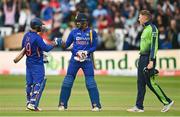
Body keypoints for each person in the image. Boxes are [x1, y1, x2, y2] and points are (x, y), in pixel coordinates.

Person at [127, 10, 174, 113]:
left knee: (150, 83)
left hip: (148, 58)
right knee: (140, 82)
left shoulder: (153, 29)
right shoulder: (145, 29)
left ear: (145, 17)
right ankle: (139, 106)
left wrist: (151, 61)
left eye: (139, 17)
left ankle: (167, 101)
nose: (138, 19)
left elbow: (154, 46)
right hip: (142, 57)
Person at [57, 12, 101, 111]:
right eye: (76, 22)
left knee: (90, 82)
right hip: (75, 60)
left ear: (85, 22)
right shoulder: (73, 32)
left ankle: (96, 105)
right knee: (67, 81)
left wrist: (86, 52)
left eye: (79, 22)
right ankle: (62, 104)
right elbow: (67, 45)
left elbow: (94, 46)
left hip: (87, 60)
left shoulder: (92, 32)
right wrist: (61, 43)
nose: (77, 24)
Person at [22, 18, 60, 111]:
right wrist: (55, 43)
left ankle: (28, 103)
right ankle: (32, 103)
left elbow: (23, 48)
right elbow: (46, 48)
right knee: (38, 82)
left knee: (29, 83)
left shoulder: (26, 35)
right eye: (40, 26)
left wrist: (37, 51)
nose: (41, 28)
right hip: (37, 63)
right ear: (36, 26)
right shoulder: (37, 37)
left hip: (28, 61)